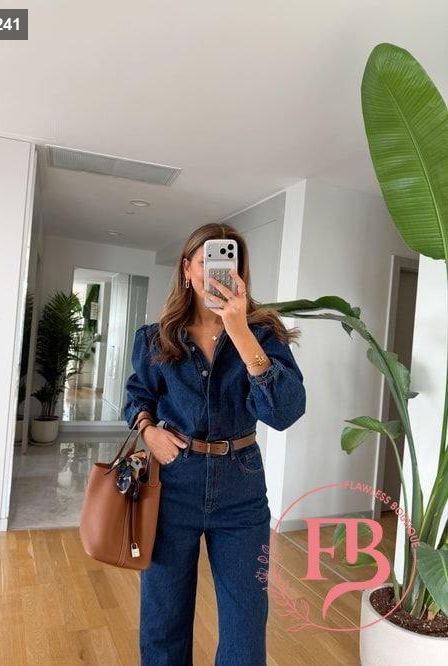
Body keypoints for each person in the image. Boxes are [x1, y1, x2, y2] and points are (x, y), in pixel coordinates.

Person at [123, 222, 306, 666]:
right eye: (207, 260)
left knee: (246, 620)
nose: (216, 269)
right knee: (163, 616)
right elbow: (138, 397)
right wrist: (149, 431)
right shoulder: (156, 337)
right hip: (172, 482)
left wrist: (238, 330)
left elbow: (284, 412)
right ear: (187, 269)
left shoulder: (263, 333)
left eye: (228, 260)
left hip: (241, 486)